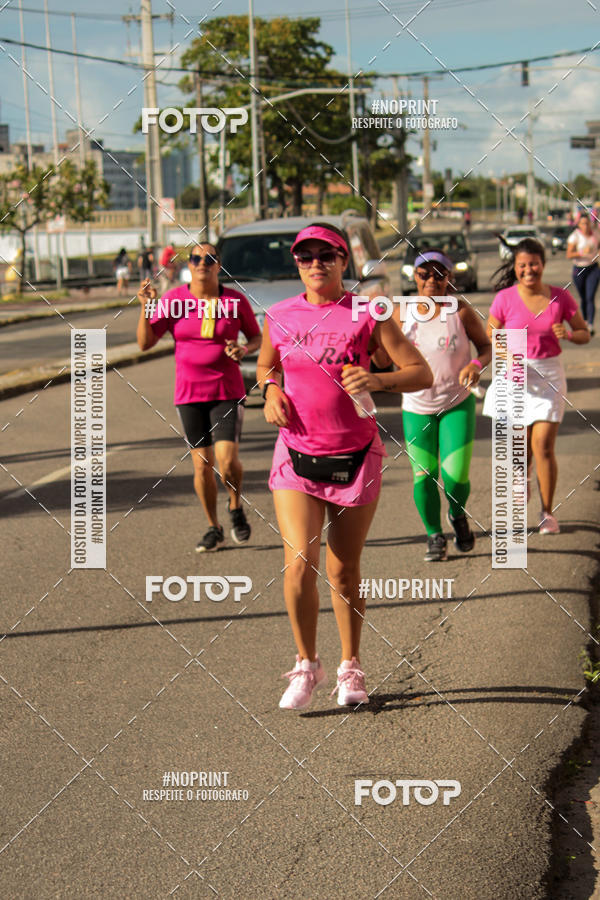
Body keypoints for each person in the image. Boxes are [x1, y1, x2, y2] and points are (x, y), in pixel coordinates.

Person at [256, 223, 433, 710]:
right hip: (296, 454)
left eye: (326, 254)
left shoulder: (367, 311)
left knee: (344, 570)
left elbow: (421, 371)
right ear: (296, 263)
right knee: (298, 566)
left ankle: (350, 667)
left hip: (355, 456)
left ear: (343, 260)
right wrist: (271, 391)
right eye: (306, 255)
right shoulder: (280, 314)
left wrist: (376, 379)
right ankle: (305, 665)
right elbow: (267, 367)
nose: (316, 263)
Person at [136, 242, 262, 550]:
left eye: (210, 258)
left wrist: (244, 349)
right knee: (202, 464)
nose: (202, 262)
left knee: (227, 460)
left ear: (219, 265)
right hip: (189, 394)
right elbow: (145, 343)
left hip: (227, 390)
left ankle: (234, 506)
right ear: (188, 265)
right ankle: (213, 526)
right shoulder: (173, 300)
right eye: (195, 258)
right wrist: (146, 307)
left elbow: (257, 336)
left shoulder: (234, 300)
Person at [384, 249, 492, 562]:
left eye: (439, 274)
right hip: (416, 406)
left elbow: (485, 347)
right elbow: (379, 356)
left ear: (449, 278)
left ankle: (457, 515)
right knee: (424, 475)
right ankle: (434, 535)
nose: (432, 280)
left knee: (456, 477)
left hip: (457, 402)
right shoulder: (399, 313)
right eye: (424, 274)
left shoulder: (460, 311)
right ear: (413, 277)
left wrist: (475, 364)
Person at [484, 238, 590, 534]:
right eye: (522, 265)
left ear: (542, 264)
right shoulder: (504, 298)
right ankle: (523, 476)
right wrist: (505, 351)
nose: (529, 270)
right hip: (514, 374)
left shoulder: (560, 298)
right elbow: (490, 331)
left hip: (548, 375)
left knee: (542, 445)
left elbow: (584, 333)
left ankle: (547, 512)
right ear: (515, 268)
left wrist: (568, 335)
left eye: (533, 264)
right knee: (521, 446)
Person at [566, 212, 600, 335]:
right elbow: (569, 254)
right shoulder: (574, 237)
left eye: (588, 223)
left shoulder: (596, 234)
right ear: (579, 225)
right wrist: (581, 252)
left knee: (590, 297)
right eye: (583, 224)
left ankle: (590, 324)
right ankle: (585, 320)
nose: (586, 226)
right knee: (584, 297)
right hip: (579, 269)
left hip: (593, 268)